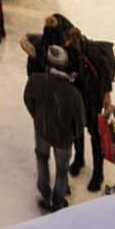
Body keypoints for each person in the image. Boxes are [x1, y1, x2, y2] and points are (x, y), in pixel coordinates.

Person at [24, 43, 86, 212]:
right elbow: (80, 122)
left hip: (42, 130)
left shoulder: (36, 80)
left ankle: (45, 195)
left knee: (41, 159)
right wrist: (72, 135)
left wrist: (37, 118)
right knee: (62, 170)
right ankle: (58, 203)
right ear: (64, 66)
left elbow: (28, 100)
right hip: (63, 139)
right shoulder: (73, 94)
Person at [66, 24, 115, 193]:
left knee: (95, 135)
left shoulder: (92, 52)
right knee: (77, 128)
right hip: (79, 95)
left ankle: (98, 173)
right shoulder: (70, 51)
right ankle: (79, 158)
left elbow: (105, 76)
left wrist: (107, 97)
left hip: (93, 98)